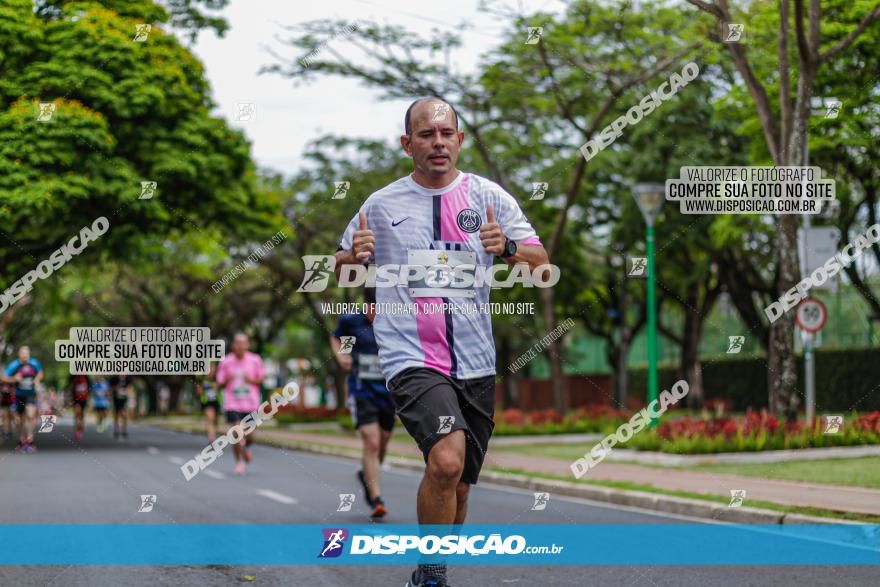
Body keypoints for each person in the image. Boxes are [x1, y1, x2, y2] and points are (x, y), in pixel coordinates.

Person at [335, 98, 549, 587]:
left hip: (475, 362)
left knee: (460, 486)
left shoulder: (489, 198)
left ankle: (429, 568)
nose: (437, 143)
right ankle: (433, 578)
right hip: (411, 356)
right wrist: (354, 255)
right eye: (426, 135)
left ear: (460, 140)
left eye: (446, 133)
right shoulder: (381, 204)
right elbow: (342, 266)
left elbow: (541, 264)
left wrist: (509, 248)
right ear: (407, 144)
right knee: (446, 460)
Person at [331, 287, 395, 519]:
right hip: (362, 389)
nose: (374, 315)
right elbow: (338, 338)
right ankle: (376, 498)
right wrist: (343, 356)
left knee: (384, 442)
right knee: (373, 443)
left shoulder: (396, 319)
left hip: (388, 392)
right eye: (371, 310)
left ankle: (366, 475)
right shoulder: (351, 320)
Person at [215, 333, 265, 475]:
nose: (240, 346)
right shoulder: (226, 362)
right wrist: (226, 380)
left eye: (243, 343)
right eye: (238, 343)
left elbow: (261, 379)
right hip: (233, 403)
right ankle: (239, 462)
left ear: (248, 345)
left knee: (251, 437)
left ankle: (246, 448)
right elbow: (218, 383)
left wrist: (251, 380)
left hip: (251, 404)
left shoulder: (255, 360)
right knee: (236, 433)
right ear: (233, 345)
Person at [4, 346, 44, 453]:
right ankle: (21, 440)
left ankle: (30, 440)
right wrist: (14, 378)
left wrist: (36, 379)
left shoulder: (34, 363)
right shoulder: (14, 365)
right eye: (22, 353)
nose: (24, 355)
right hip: (18, 395)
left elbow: (40, 373)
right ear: (19, 354)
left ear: (29, 354)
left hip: (30, 394)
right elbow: (4, 377)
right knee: (20, 419)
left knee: (31, 415)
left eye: (26, 353)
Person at [195, 364, 220, 442]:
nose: (211, 371)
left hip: (216, 401)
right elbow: (198, 392)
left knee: (215, 420)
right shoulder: (201, 380)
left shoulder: (218, 379)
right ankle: (211, 438)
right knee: (210, 418)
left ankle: (213, 434)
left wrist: (216, 386)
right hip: (207, 401)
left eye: (213, 369)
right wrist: (202, 389)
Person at [109, 373, 133, 439]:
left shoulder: (128, 379)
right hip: (116, 399)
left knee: (124, 414)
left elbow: (130, 387)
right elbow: (111, 387)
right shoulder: (114, 378)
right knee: (116, 414)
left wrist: (127, 391)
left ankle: (124, 430)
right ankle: (116, 429)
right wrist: (116, 389)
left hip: (124, 399)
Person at [69, 373, 90, 440]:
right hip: (76, 398)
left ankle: (81, 426)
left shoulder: (86, 376)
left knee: (82, 414)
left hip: (84, 399)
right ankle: (77, 430)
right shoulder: (73, 375)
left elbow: (89, 387)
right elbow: (70, 385)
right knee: (77, 412)